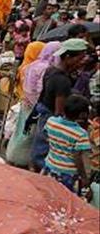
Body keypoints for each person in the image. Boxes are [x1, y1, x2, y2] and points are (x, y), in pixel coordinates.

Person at [30, 39, 89, 170]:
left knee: (39, 151)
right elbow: (59, 112)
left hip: (45, 113)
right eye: (80, 58)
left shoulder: (51, 70)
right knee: (44, 155)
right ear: (67, 57)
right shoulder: (62, 80)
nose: (82, 61)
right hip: (50, 116)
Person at [43, 95, 92, 191]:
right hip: (68, 174)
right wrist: (84, 178)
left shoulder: (51, 121)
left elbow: (46, 136)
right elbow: (77, 157)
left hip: (50, 167)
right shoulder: (81, 134)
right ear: (82, 114)